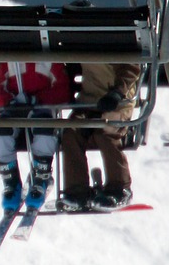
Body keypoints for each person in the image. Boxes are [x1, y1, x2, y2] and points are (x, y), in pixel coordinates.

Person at [0, 62, 72, 213]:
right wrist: (10, 101)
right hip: (13, 108)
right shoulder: (5, 61)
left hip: (42, 109)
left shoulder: (50, 59)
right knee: (0, 134)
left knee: (44, 131)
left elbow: (63, 89)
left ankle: (41, 175)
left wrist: (40, 100)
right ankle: (10, 180)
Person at [57, 59, 140, 212]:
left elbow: (131, 68)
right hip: (88, 102)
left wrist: (117, 93)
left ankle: (120, 188)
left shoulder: (117, 44)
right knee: (71, 133)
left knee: (105, 133)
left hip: (117, 104)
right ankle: (77, 192)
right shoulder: (85, 43)